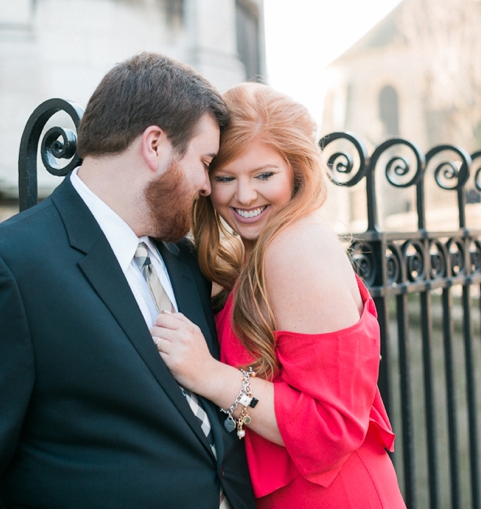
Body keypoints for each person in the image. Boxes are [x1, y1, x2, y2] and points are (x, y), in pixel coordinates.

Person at [0, 53, 255, 509]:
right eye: (204, 162)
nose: (207, 185)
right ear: (155, 146)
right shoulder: (4, 270)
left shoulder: (182, 261)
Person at [150, 82, 407, 508]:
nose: (245, 195)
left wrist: (207, 373)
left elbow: (331, 426)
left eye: (264, 175)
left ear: (297, 171)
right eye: (225, 178)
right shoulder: (260, 250)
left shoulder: (295, 248)